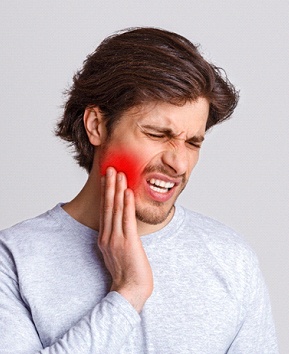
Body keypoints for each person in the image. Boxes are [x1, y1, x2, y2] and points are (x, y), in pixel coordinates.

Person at [0, 27, 278, 353]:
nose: (179, 163)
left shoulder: (231, 260)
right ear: (96, 125)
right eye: (158, 134)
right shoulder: (15, 259)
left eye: (193, 142)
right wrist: (128, 293)